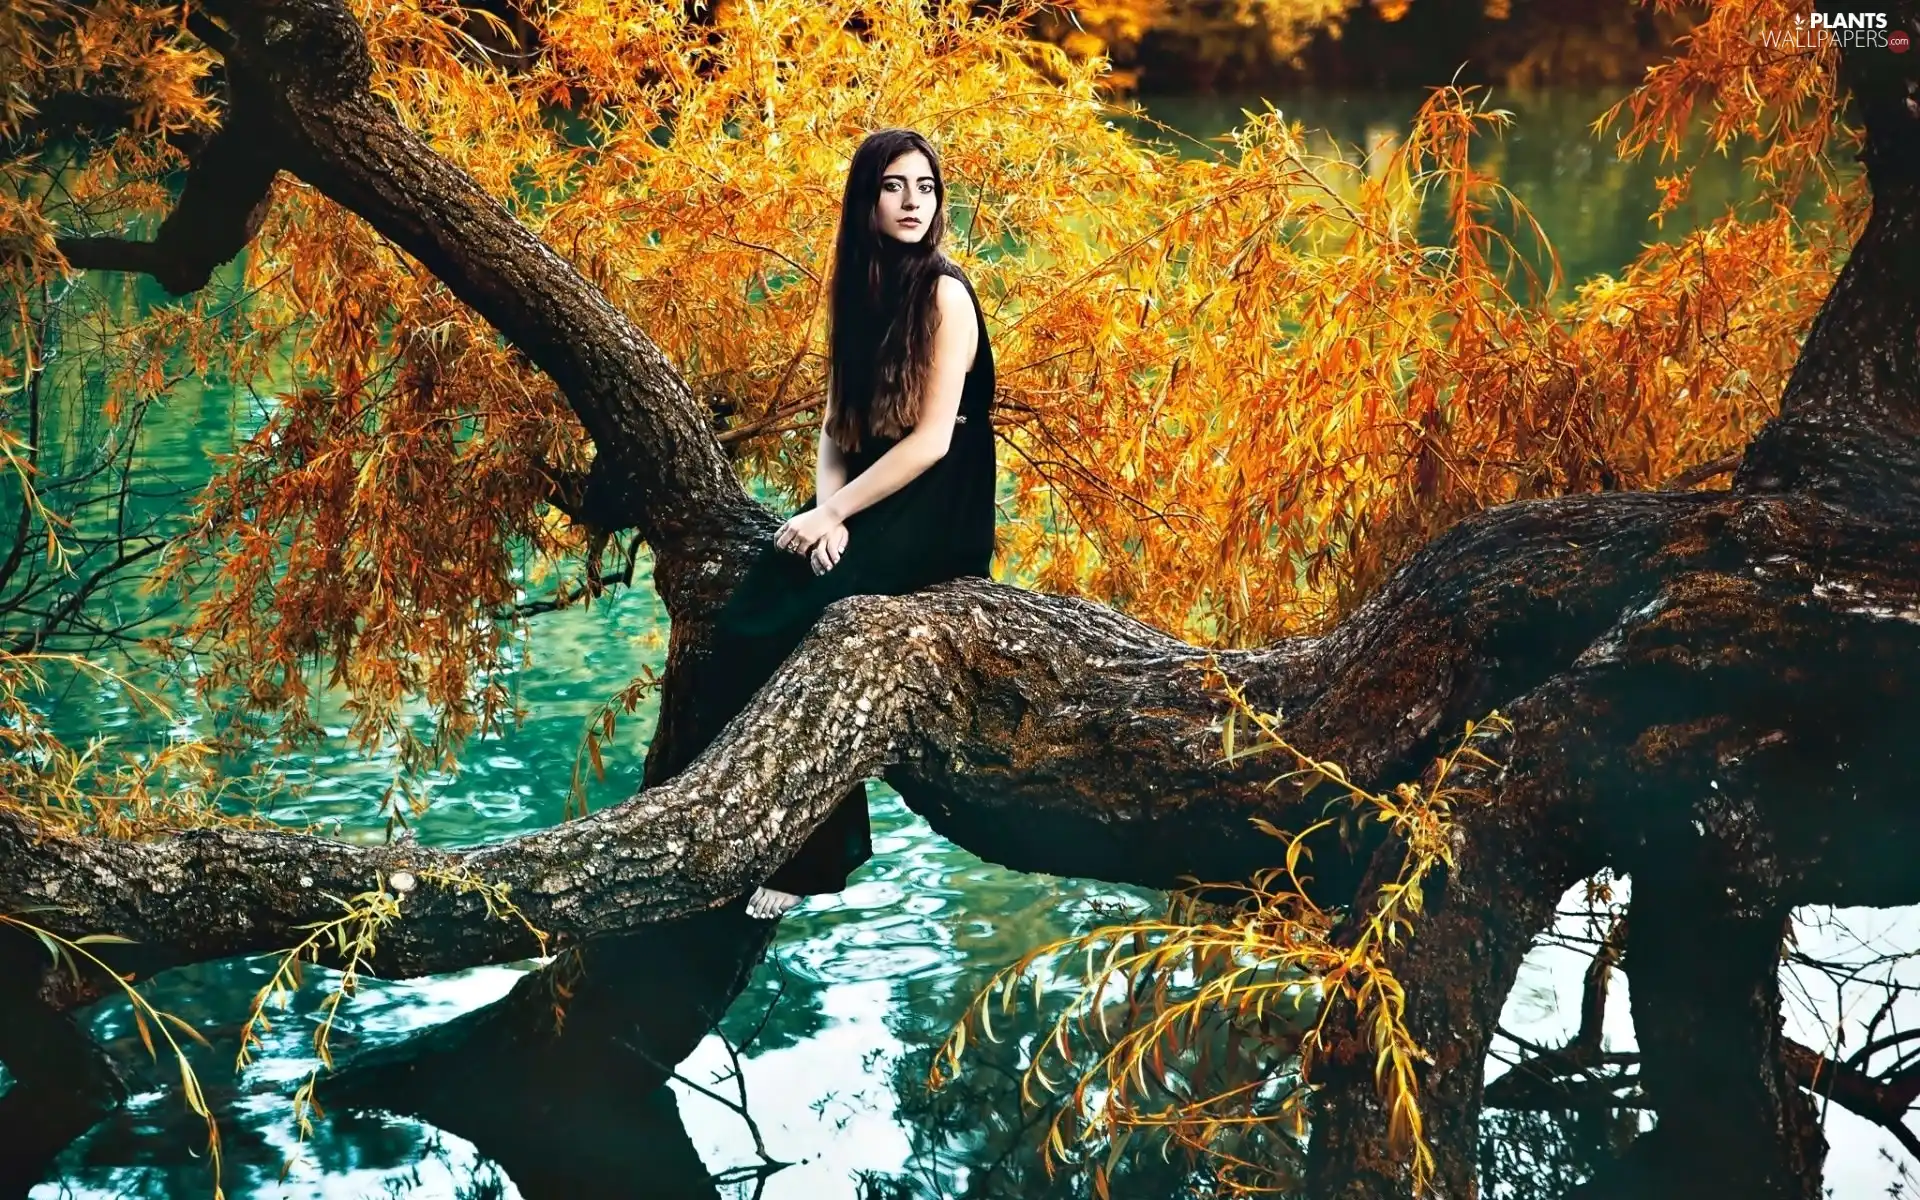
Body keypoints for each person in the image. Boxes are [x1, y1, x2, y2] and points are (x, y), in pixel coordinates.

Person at [680, 128, 998, 921]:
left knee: (809, 622)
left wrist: (836, 513)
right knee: (752, 613)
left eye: (925, 187)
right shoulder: (862, 291)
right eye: (895, 187)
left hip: (937, 501)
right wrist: (823, 509)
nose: (913, 203)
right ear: (867, 200)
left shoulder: (943, 293)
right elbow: (835, 423)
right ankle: (730, 829)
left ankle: (814, 862)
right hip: (869, 489)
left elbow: (930, 440)